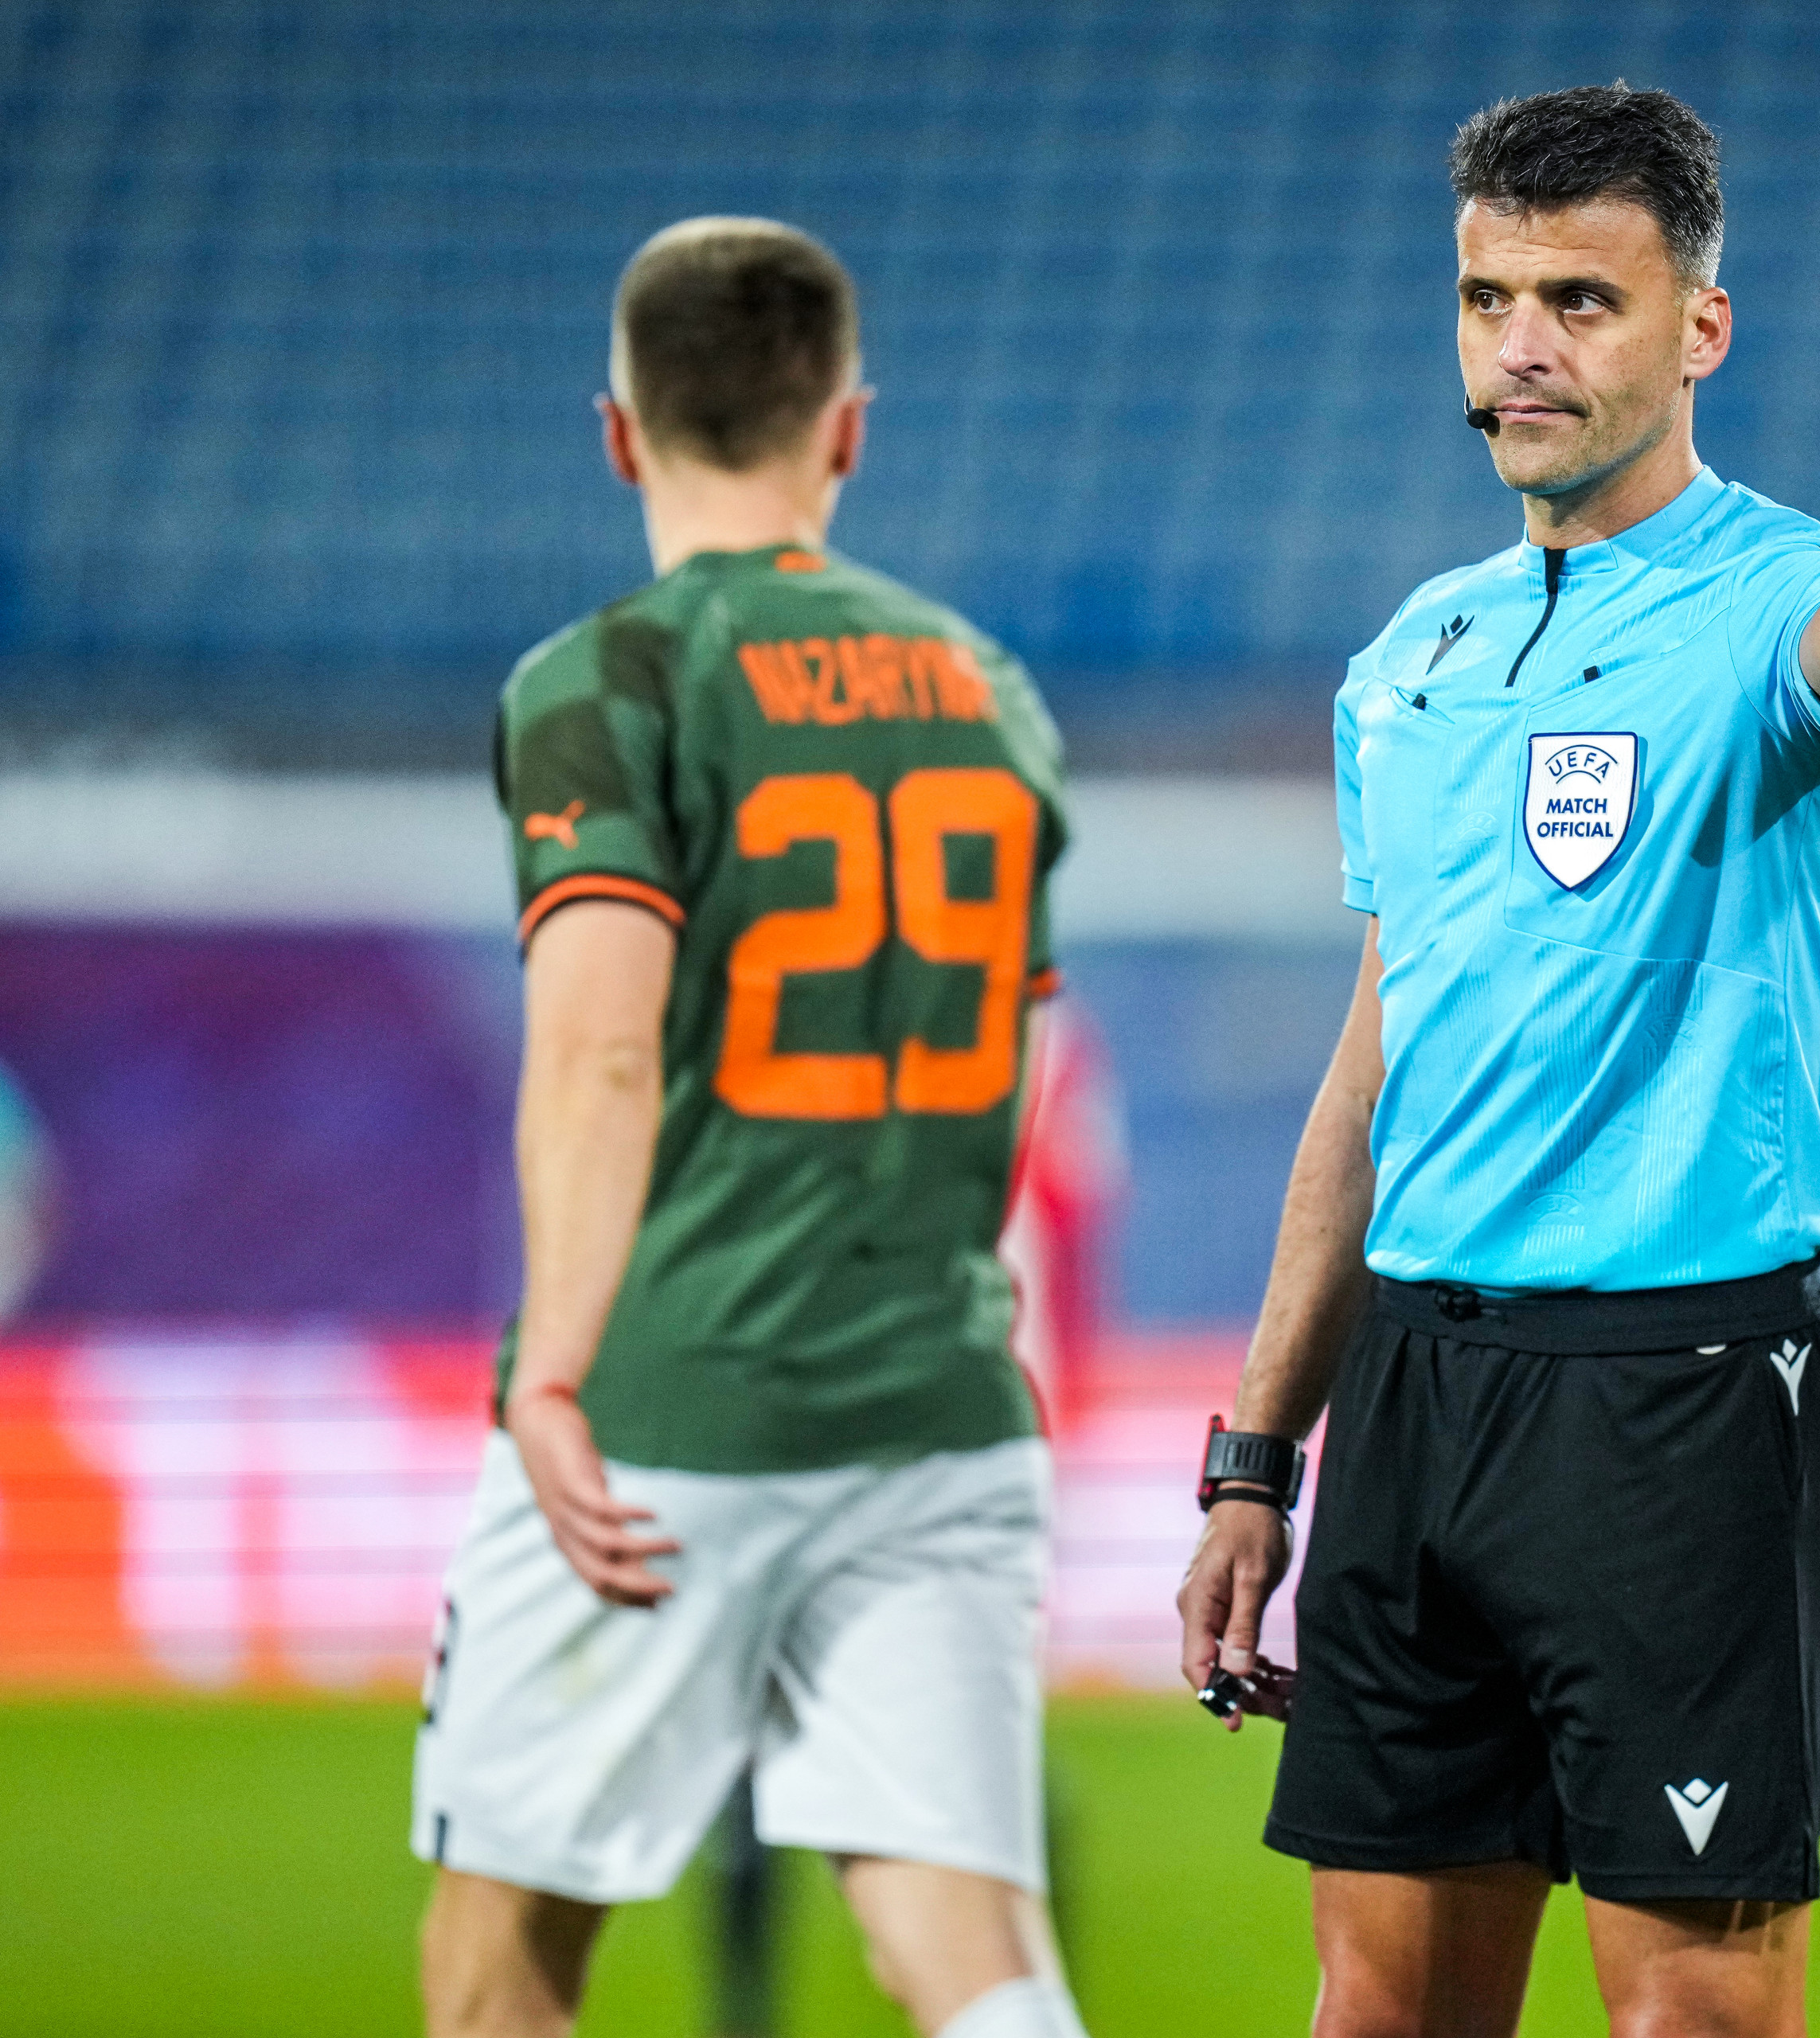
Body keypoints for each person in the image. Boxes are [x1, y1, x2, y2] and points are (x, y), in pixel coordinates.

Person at [1173, 83, 1820, 2038]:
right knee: (1381, 2011)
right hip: (1417, 1384)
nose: (1525, 347)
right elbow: (1373, 1076)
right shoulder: (1411, 660)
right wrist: (1257, 1452)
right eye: (1490, 299)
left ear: (1699, 330)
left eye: (1582, 296)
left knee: (1695, 2018)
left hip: (1684, 1396)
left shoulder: (1774, 597)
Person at [411, 217, 1086, 2038]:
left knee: (498, 1976)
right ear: (844, 429)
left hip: (669, 1413)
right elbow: (1017, 1072)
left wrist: (552, 1374)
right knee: (967, 1947)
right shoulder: (987, 690)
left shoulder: (604, 680)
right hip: (937, 1405)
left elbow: (601, 1053)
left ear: (618, 431)